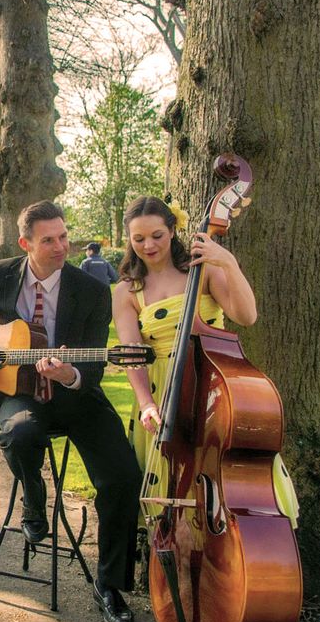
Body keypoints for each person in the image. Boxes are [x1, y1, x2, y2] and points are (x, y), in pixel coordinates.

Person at [0, 200, 142, 622]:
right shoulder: (0, 275)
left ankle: (110, 585)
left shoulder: (90, 290)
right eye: (48, 240)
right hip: (17, 393)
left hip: (75, 398)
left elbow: (95, 369)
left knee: (123, 475)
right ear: (25, 243)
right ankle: (35, 497)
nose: (60, 246)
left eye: (64, 236)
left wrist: (70, 373)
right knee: (21, 433)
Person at [111, 196, 299, 529]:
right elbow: (132, 353)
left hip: (211, 386)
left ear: (172, 230)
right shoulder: (127, 290)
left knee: (222, 470)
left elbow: (246, 315)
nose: (148, 245)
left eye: (156, 235)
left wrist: (228, 263)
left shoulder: (203, 269)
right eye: (138, 239)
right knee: (173, 486)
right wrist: (146, 404)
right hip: (162, 393)